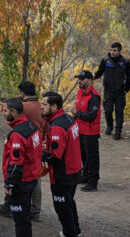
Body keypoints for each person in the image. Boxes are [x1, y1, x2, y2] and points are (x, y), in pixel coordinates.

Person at [0, 81, 45, 222]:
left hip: (23, 142)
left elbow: (16, 161)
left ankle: (10, 205)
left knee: (17, 173)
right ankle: (35, 209)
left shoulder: (23, 107)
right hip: (37, 141)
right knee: (36, 178)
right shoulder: (41, 105)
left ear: (22, 93)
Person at [40, 91, 82, 237]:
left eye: (44, 104)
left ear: (54, 106)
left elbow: (55, 155)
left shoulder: (57, 126)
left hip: (63, 174)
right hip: (74, 170)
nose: (41, 107)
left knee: (62, 207)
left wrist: (38, 154)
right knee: (69, 203)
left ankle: (70, 233)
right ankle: (75, 232)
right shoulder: (69, 119)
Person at [1, 98, 42, 237]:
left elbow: (16, 162)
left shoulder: (18, 134)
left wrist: (9, 184)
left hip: (21, 182)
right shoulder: (31, 127)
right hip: (31, 178)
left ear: (14, 112)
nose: (3, 114)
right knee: (24, 218)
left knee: (20, 219)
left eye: (5, 111)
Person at [93, 42, 130, 140]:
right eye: (111, 50)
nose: (112, 52)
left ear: (119, 51)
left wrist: (126, 89)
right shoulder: (105, 61)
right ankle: (109, 126)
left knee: (119, 112)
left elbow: (129, 77)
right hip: (108, 91)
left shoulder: (125, 62)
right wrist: (91, 77)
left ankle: (118, 131)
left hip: (120, 92)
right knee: (108, 111)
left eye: (115, 50)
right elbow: (99, 73)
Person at [71, 70, 100, 192]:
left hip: (90, 132)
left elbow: (91, 115)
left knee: (92, 157)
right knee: (83, 156)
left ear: (89, 80)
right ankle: (85, 176)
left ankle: (93, 182)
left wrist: (76, 113)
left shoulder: (94, 96)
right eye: (79, 79)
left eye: (82, 79)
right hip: (79, 130)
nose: (79, 81)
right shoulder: (79, 92)